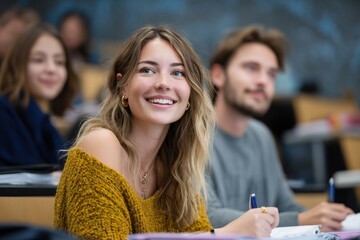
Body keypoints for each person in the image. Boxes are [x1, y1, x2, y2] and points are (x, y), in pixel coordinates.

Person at [54, 25, 279, 240]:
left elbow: (198, 230)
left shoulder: (177, 167)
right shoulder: (101, 145)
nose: (163, 83)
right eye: (147, 70)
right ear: (123, 85)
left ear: (190, 94)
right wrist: (224, 233)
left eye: (177, 73)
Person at [206, 25, 354, 232]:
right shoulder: (192, 135)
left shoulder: (262, 136)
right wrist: (301, 220)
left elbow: (287, 205)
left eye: (271, 74)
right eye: (251, 68)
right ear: (218, 76)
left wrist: (323, 219)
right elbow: (206, 216)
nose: (263, 81)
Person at [0, 24, 79, 166]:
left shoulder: (46, 124)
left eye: (59, 62)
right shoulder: (4, 113)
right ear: (17, 65)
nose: (51, 69)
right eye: (38, 59)